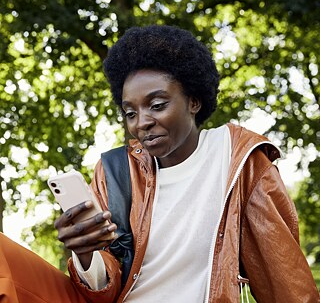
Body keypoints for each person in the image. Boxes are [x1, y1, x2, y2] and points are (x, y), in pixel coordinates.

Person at [0, 25, 319, 303]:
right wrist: (85, 254)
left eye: (157, 105)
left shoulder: (239, 160)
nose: (142, 123)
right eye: (130, 112)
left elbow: (285, 278)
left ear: (193, 101)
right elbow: (105, 291)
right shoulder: (114, 170)